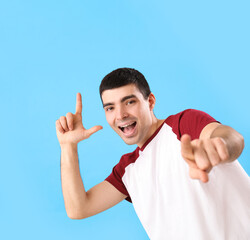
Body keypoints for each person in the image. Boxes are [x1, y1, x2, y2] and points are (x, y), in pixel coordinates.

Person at [55, 68, 250, 240]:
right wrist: (68, 146)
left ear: (150, 101)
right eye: (110, 108)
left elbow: (231, 138)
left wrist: (217, 148)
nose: (120, 115)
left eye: (129, 102)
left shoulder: (183, 125)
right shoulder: (127, 171)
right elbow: (78, 208)